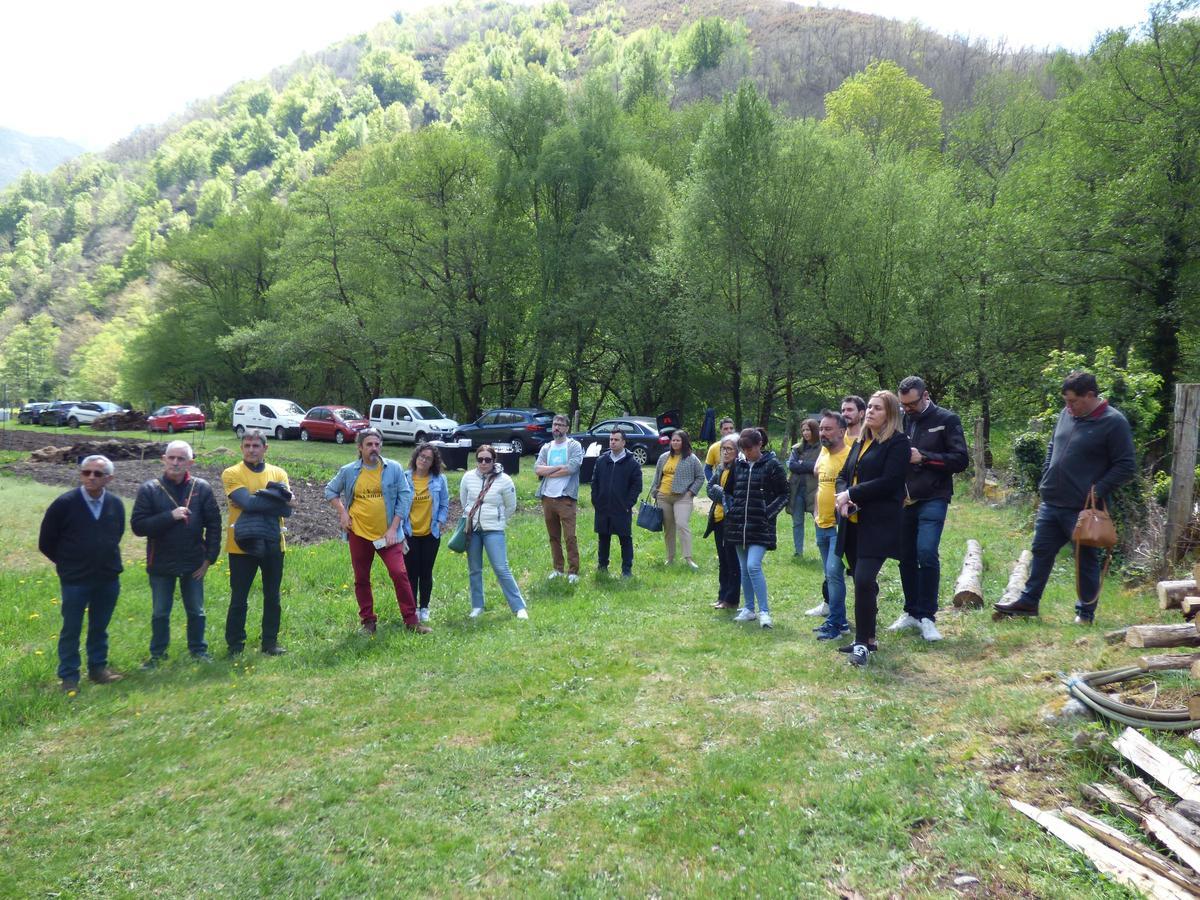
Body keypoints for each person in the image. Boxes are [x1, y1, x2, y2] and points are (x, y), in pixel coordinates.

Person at [994, 370, 1136, 624]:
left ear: (1090, 395)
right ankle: (1028, 602)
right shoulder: (1066, 414)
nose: (1068, 407)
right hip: (1052, 502)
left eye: (1073, 401)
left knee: (1085, 558)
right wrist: (1046, 474)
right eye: (1066, 401)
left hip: (1083, 508)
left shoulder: (1114, 422)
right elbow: (1053, 446)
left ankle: (1085, 613)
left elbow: (1126, 465)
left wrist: (1098, 489)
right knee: (1041, 551)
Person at [325, 428, 430, 635]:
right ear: (360, 448)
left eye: (377, 444)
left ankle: (411, 621)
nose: (374, 448)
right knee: (361, 578)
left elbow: (405, 496)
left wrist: (393, 528)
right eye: (369, 445)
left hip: (388, 536)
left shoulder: (394, 468)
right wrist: (343, 513)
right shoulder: (349, 471)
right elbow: (330, 490)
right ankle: (368, 622)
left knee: (400, 574)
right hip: (359, 533)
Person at [889, 376, 969, 643]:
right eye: (903, 405)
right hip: (905, 498)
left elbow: (960, 460)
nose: (907, 409)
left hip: (934, 495)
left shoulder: (947, 419)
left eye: (911, 404)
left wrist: (924, 457)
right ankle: (911, 611)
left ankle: (928, 617)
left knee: (926, 551)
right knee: (906, 555)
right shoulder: (902, 419)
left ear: (925, 396)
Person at [835, 391, 911, 667]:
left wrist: (851, 494)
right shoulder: (861, 441)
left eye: (877, 408)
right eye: (869, 407)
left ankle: (862, 643)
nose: (870, 412)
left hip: (879, 524)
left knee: (865, 579)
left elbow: (890, 481)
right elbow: (843, 475)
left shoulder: (898, 443)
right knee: (861, 580)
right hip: (853, 523)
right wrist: (844, 497)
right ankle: (868, 638)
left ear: (890, 414)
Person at [130, 440, 222, 667]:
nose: (175, 462)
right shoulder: (149, 489)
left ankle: (198, 651)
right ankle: (158, 655)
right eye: (171, 457)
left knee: (196, 611)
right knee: (160, 612)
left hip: (193, 562)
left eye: (181, 458)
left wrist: (209, 558)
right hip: (160, 562)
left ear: (190, 462)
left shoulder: (202, 488)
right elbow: (138, 527)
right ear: (163, 459)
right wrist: (169, 517)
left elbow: (214, 525)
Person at [38, 455, 126, 692]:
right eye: (86, 472)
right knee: (71, 629)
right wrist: (68, 563)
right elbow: (46, 542)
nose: (91, 477)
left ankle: (98, 669)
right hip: (75, 579)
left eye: (97, 474)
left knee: (100, 627)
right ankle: (69, 677)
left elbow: (116, 533)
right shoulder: (64, 504)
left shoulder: (115, 504)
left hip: (107, 578)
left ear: (109, 477)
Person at [222, 429, 292, 656]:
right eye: (247, 446)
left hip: (273, 542)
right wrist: (274, 500)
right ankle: (235, 646)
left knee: (273, 596)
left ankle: (270, 643)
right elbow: (248, 504)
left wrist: (259, 499)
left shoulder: (278, 473)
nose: (251, 450)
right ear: (241, 448)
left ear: (265, 448)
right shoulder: (231, 473)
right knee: (239, 596)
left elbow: (286, 510)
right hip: (241, 544)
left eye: (256, 446)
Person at [723, 428, 789, 628]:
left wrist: (767, 513)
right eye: (742, 449)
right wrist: (730, 509)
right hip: (738, 525)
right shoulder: (738, 464)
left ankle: (765, 612)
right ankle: (749, 609)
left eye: (749, 449)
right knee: (744, 568)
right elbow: (727, 492)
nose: (746, 453)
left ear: (760, 445)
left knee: (753, 565)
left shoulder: (773, 465)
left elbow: (784, 494)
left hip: (760, 526)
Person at [460, 445, 529, 619]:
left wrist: (499, 519)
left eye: (488, 460)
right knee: (474, 569)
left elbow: (511, 506)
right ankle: (477, 606)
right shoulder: (468, 477)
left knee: (501, 567)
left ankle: (518, 607)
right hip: (473, 530)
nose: (483, 463)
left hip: (494, 530)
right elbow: (464, 501)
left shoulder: (504, 480)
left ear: (493, 460)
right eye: (480, 459)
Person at [812, 412, 854, 641]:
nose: (823, 433)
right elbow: (821, 486)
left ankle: (836, 624)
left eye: (828, 429)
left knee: (834, 574)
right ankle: (842, 621)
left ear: (841, 431)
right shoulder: (825, 455)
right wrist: (816, 512)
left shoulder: (850, 456)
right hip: (822, 524)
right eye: (821, 429)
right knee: (829, 575)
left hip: (840, 526)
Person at [535, 414, 584, 584]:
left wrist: (548, 470)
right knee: (553, 536)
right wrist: (557, 467)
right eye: (555, 424)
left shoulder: (574, 446)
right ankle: (558, 569)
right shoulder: (546, 447)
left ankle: (573, 571)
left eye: (561, 425)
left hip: (566, 498)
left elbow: (572, 468)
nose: (557, 427)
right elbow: (537, 469)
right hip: (548, 497)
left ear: (567, 428)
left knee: (570, 536)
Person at [404, 442, 450, 623]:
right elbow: (397, 503)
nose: (423, 460)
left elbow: (445, 503)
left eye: (428, 458)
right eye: (421, 456)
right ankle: (412, 608)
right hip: (409, 534)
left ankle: (424, 608)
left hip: (431, 534)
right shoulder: (405, 477)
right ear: (416, 458)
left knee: (426, 572)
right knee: (410, 573)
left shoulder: (440, 480)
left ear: (433, 462)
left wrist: (440, 522)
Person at [590, 429, 643, 578]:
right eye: (611, 439)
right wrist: (596, 499)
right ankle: (602, 567)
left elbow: (637, 486)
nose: (612, 442)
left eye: (616, 439)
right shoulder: (602, 460)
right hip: (603, 507)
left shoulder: (632, 463)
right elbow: (595, 482)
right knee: (603, 538)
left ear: (623, 442)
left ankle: (626, 570)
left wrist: (628, 504)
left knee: (625, 539)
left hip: (622, 508)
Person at [650, 429, 705, 569]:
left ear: (684, 442)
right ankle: (670, 558)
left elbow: (700, 477)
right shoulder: (664, 457)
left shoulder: (691, 458)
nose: (675, 442)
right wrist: (654, 492)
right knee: (668, 528)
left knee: (682, 524)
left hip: (682, 497)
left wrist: (691, 492)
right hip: (663, 496)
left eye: (678, 440)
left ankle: (688, 558)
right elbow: (657, 475)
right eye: (673, 440)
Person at [704, 435, 742, 610]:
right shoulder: (720, 468)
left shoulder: (739, 469)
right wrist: (722, 494)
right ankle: (722, 596)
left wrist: (721, 494)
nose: (725, 453)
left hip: (731, 520)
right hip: (718, 519)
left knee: (732, 560)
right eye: (723, 449)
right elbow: (709, 489)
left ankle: (731, 599)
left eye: (729, 449)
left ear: (737, 451)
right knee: (723, 560)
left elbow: (734, 496)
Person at [787, 418, 822, 558]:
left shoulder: (823, 448)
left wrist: (803, 464)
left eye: (808, 429)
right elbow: (792, 465)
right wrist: (809, 465)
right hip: (797, 490)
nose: (806, 433)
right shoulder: (796, 448)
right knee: (797, 522)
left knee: (819, 521)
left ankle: (822, 549)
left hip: (815, 490)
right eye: (803, 430)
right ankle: (798, 551)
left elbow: (818, 467)